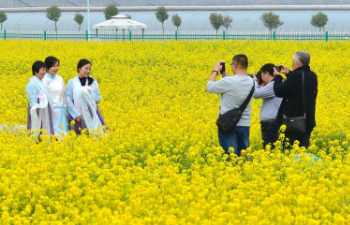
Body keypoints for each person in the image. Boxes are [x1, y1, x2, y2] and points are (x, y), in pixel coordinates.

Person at [206, 54, 254, 156]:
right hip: (245, 124)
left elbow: (209, 87)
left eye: (232, 64)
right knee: (244, 158)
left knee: (230, 158)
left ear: (235, 65)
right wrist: (228, 78)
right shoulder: (252, 82)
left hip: (228, 125)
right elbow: (238, 84)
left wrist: (215, 71)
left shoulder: (228, 81)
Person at [273, 51, 318, 148]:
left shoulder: (295, 76)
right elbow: (300, 84)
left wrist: (277, 77)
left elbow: (279, 92)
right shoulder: (313, 76)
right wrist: (289, 73)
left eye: (293, 61)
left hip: (292, 122)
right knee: (302, 152)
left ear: (298, 63)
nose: (292, 63)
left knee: (288, 152)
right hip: (308, 121)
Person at [66, 59, 108, 135]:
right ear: (79, 68)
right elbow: (68, 99)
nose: (88, 71)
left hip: (92, 112)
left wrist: (90, 94)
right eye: (86, 68)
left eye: (90, 69)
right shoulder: (71, 82)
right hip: (78, 113)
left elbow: (98, 98)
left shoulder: (92, 82)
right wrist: (76, 114)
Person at [253, 63, 283, 149]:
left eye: (261, 75)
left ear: (267, 74)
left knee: (270, 151)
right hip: (273, 124)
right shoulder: (277, 84)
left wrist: (255, 81)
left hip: (271, 125)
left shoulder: (273, 85)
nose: (260, 78)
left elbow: (255, 94)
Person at [26, 61, 55, 138]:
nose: (45, 72)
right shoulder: (31, 84)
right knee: (38, 128)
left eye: (45, 70)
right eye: (42, 70)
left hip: (44, 110)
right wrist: (36, 107)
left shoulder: (41, 82)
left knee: (45, 128)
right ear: (35, 71)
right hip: (38, 111)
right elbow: (32, 99)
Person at [42, 56, 69, 136]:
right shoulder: (43, 80)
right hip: (49, 111)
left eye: (57, 65)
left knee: (63, 134)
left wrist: (66, 108)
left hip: (61, 111)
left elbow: (64, 94)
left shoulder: (60, 78)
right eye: (53, 66)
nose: (56, 68)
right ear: (46, 67)